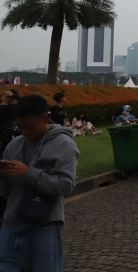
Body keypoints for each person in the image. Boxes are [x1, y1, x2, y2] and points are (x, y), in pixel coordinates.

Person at [0, 94, 79, 271]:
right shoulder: (14, 145)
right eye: (20, 127)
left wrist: (28, 172)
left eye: (29, 126)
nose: (25, 132)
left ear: (44, 118)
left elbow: (66, 186)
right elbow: (6, 193)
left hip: (44, 225)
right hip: (11, 225)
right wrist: (4, 176)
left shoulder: (64, 145)